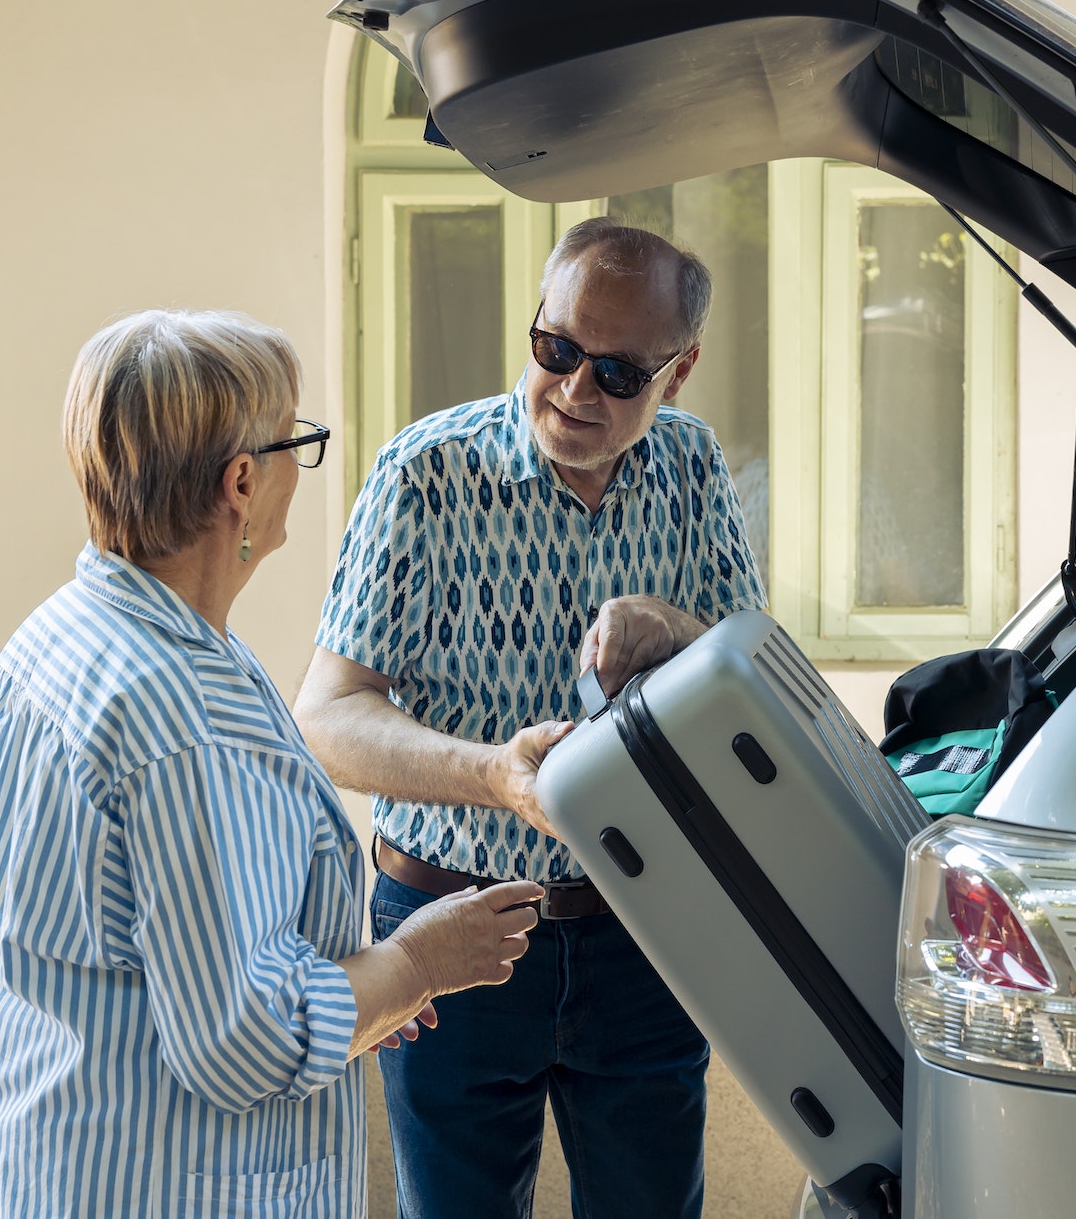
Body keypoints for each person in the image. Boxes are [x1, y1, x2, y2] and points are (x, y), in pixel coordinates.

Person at [0, 310, 543, 1218]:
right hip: (156, 1186)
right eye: (296, 442)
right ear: (241, 481)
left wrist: (370, 985)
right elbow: (244, 1039)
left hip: (50, 1161)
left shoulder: (61, 641)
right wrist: (422, 959)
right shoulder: (179, 718)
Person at [295, 219, 766, 1218]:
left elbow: (751, 680)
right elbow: (328, 721)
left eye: (617, 372)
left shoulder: (689, 466)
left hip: (645, 928)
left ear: (676, 375)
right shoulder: (423, 475)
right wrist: (494, 777)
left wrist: (673, 626)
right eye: (553, 348)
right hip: (448, 927)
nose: (573, 389)